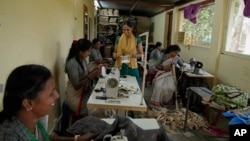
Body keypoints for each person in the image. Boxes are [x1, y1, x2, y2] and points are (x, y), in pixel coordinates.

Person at [0, 64, 96, 141]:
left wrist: (76, 139)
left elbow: (42, 138)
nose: (57, 95)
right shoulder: (8, 135)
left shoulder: (36, 118)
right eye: (51, 93)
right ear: (28, 103)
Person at [65, 39, 102, 117]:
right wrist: (92, 75)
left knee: (103, 104)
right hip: (76, 98)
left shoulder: (82, 60)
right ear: (80, 51)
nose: (89, 53)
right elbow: (77, 86)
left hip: (85, 93)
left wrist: (96, 70)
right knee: (102, 111)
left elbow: (86, 75)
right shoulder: (72, 63)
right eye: (88, 51)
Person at [113, 16, 143, 84]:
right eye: (124, 30)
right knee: (119, 85)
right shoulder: (118, 38)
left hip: (132, 66)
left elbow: (141, 54)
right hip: (120, 65)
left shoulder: (137, 38)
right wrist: (115, 55)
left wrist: (133, 55)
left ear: (132, 28)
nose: (125, 32)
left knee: (134, 85)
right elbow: (114, 53)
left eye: (128, 30)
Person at [150, 45, 181, 109]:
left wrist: (181, 67)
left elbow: (182, 64)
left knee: (171, 88)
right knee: (158, 86)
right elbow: (156, 66)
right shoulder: (163, 56)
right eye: (175, 53)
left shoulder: (177, 58)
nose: (176, 55)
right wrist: (163, 68)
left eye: (177, 53)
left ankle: (165, 103)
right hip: (162, 73)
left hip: (170, 75)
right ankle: (157, 104)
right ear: (171, 51)